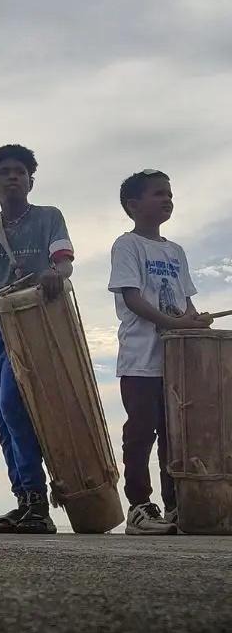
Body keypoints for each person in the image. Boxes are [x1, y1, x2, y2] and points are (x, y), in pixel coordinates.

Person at [0, 144, 73, 534]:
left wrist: (55, 274)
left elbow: (64, 261)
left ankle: (39, 503)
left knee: (13, 405)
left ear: (31, 180)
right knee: (1, 418)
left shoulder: (49, 218)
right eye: (4, 172)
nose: (12, 177)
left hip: (29, 325)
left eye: (20, 172)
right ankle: (24, 500)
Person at [108, 170, 212, 535]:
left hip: (174, 363)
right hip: (140, 359)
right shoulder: (128, 245)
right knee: (141, 431)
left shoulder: (175, 251)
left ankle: (175, 505)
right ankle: (139, 506)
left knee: (175, 434)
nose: (167, 199)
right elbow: (133, 299)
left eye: (169, 193)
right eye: (158, 194)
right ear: (133, 206)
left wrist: (192, 322)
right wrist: (177, 324)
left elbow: (185, 304)